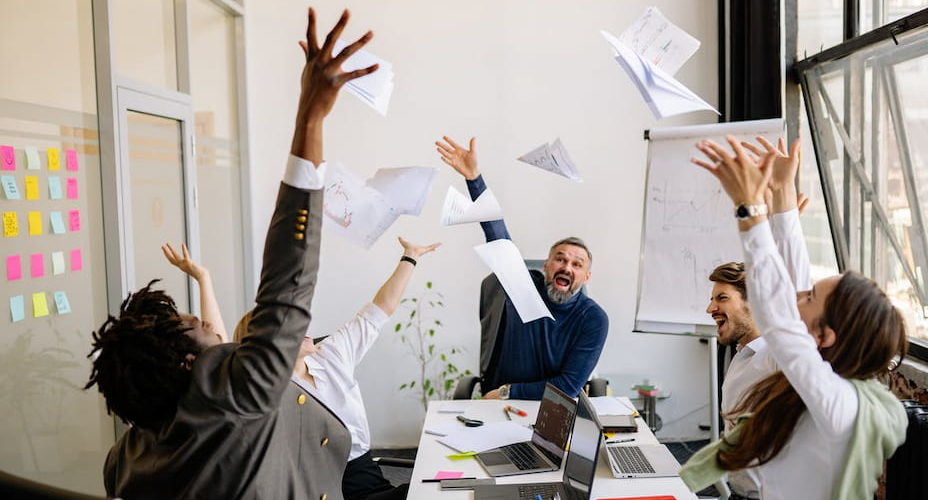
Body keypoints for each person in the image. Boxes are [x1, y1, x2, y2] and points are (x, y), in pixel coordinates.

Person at [84, 9, 379, 498]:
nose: (207, 324)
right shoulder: (238, 395)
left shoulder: (125, 460)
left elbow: (222, 339)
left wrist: (203, 280)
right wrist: (310, 116)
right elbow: (287, 284)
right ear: (189, 366)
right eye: (194, 324)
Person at [680, 136, 908, 500]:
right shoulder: (825, 383)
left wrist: (750, 210)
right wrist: (783, 195)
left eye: (810, 298)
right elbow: (794, 285)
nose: (796, 295)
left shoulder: (839, 403)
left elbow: (779, 316)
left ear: (824, 336)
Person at [228, 237, 440, 500]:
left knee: (438, 489)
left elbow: (380, 310)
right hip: (315, 487)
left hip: (364, 476)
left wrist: (410, 256)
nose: (305, 328)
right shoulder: (268, 393)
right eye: (292, 326)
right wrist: (204, 281)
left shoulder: (329, 354)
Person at [435, 136, 608, 400]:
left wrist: (507, 392)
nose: (567, 267)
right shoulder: (524, 289)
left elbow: (568, 387)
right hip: (496, 406)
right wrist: (474, 178)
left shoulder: (593, 318)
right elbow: (498, 237)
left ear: (587, 276)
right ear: (547, 265)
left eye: (577, 264)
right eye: (560, 259)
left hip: (548, 406)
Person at [705, 139, 811, 500]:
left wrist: (781, 200)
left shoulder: (778, 356)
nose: (710, 308)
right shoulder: (743, 355)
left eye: (722, 298)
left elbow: (794, 292)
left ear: (756, 302)